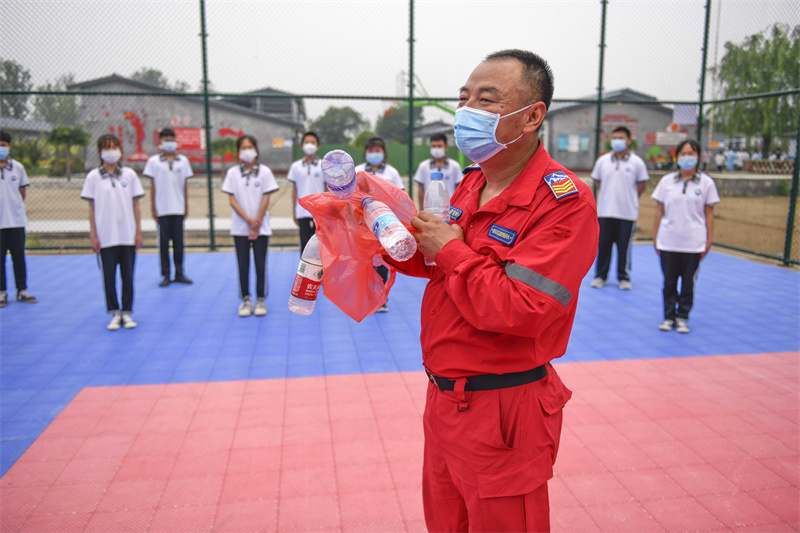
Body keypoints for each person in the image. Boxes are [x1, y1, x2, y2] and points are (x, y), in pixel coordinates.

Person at [385, 49, 598, 532]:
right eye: (463, 99)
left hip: (503, 411)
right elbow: (439, 262)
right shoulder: (471, 183)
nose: (467, 111)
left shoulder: (563, 202)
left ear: (532, 116)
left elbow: (522, 308)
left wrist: (453, 250)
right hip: (443, 401)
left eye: (487, 99)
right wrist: (379, 233)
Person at [652, 139, 720, 334]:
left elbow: (709, 213)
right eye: (683, 153)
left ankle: (682, 316)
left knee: (688, 282)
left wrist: (709, 239)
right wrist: (655, 237)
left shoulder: (706, 183)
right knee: (669, 282)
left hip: (693, 242)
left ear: (698, 157)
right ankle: (668, 316)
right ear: (677, 156)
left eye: (691, 153)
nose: (687, 157)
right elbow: (659, 211)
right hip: (668, 241)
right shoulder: (667, 181)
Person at [80, 134, 144, 330]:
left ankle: (127, 312)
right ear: (100, 152)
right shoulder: (93, 177)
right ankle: (114, 312)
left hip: (127, 235)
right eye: (107, 148)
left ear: (120, 150)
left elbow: (136, 204)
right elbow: (91, 207)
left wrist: (138, 232)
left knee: (128, 276)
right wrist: (93, 235)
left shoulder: (130, 175)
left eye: (115, 147)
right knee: (108, 277)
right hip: (106, 237)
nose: (111, 151)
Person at [221, 135, 279, 317]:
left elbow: (266, 199)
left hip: (261, 227)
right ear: (239, 152)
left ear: (256, 149)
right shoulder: (232, 174)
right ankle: (245, 300)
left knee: (261, 264)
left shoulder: (265, 172)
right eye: (243, 147)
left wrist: (256, 222)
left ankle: (260, 299)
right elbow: (232, 200)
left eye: (250, 146)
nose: (247, 150)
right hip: (240, 228)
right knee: (243, 264)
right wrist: (248, 220)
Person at [589, 126, 649, 290]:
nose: (617, 141)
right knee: (603, 246)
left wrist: (628, 198)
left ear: (629, 140)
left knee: (624, 247)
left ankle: (624, 277)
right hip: (605, 211)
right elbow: (598, 181)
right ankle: (601, 276)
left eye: (621, 138)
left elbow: (642, 185)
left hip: (627, 213)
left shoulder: (637, 163)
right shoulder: (603, 161)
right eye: (615, 138)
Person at [355, 136, 404, 312]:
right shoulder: (359, 171)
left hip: (385, 222)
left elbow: (400, 196)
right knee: (365, 260)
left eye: (377, 150)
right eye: (370, 150)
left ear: (383, 152)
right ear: (365, 152)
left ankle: (381, 298)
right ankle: (367, 296)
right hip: (363, 221)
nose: (374, 154)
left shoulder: (391, 173)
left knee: (382, 259)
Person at [142, 128, 194, 287]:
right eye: (166, 139)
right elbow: (153, 186)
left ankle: (179, 272)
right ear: (160, 142)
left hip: (178, 208)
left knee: (179, 243)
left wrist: (186, 205)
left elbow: (184, 185)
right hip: (162, 209)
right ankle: (166, 274)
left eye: (172, 139)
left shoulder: (183, 161)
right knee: (163, 243)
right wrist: (153, 208)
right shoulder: (154, 162)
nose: (169, 142)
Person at [0, 130, 37, 308]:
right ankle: (2, 292)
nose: (1, 149)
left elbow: (22, 192)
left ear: (9, 147)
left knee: (18, 257)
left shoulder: (18, 168)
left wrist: (13, 207)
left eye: (3, 146)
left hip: (16, 221)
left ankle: (22, 290)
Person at [287, 131, 325, 253]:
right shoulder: (296, 166)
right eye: (306, 142)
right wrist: (294, 210)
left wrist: (327, 211)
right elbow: (295, 189)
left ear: (318, 146)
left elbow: (326, 189)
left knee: (319, 245)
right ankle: (304, 272)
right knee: (304, 245)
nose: (309, 145)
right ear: (302, 146)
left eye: (312, 142)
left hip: (319, 212)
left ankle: (320, 272)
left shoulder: (323, 165)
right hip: (302, 211)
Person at [413, 133, 462, 208]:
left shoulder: (455, 166)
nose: (436, 149)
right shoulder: (423, 166)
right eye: (433, 146)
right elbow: (420, 191)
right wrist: (421, 209)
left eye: (439, 146)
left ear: (446, 147)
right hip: (430, 209)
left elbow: (459, 190)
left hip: (449, 209)